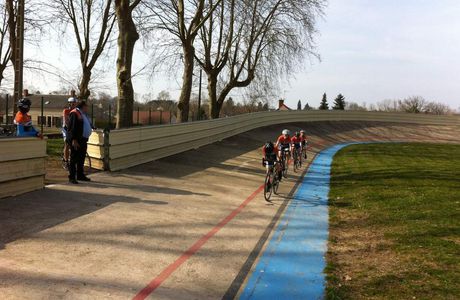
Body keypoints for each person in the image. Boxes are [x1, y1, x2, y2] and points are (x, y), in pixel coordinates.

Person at [67, 101, 92, 184]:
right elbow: (72, 127)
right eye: (86, 106)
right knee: (74, 159)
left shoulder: (81, 114)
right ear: (83, 106)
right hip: (76, 140)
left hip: (83, 139)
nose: (87, 108)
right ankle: (72, 177)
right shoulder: (75, 113)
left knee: (81, 158)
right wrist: (73, 139)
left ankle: (80, 175)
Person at [62, 96, 78, 165]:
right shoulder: (66, 111)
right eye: (72, 103)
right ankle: (66, 161)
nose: (74, 105)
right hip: (66, 129)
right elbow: (66, 121)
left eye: (75, 103)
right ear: (69, 104)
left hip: (73, 129)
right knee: (67, 143)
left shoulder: (76, 111)